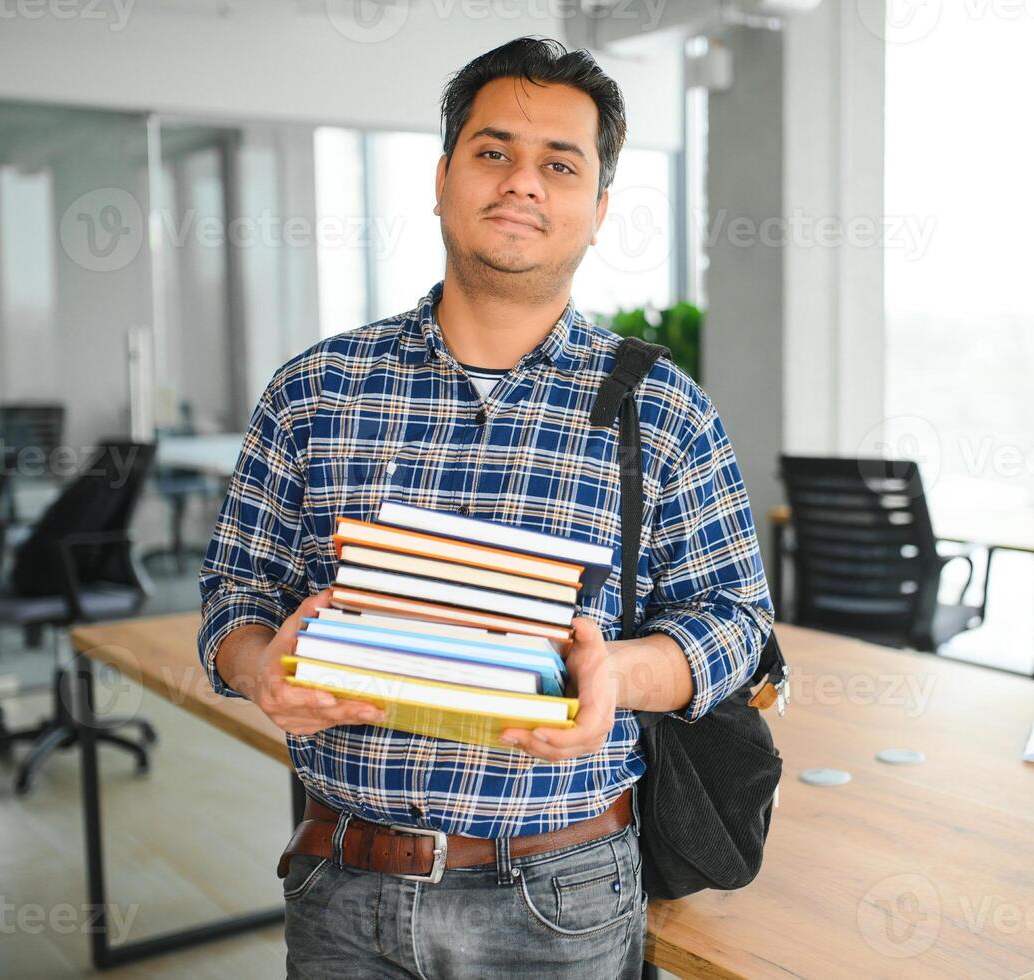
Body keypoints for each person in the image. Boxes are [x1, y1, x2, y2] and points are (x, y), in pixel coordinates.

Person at [196, 36, 773, 979]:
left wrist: (614, 677)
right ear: (441, 178)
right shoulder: (317, 390)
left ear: (596, 208)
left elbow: (736, 624)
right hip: (339, 881)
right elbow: (234, 594)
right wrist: (259, 663)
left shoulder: (659, 408)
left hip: (561, 895)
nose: (522, 184)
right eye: (492, 152)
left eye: (559, 164)